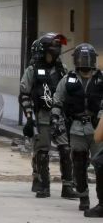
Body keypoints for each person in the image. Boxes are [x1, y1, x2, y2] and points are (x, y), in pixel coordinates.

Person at [19, 33, 78, 199]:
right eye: (54, 48)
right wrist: (29, 118)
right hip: (42, 117)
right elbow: (24, 94)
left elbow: (69, 94)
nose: (57, 52)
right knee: (42, 152)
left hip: (59, 117)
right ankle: (43, 185)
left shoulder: (62, 71)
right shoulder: (32, 70)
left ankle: (67, 186)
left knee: (65, 149)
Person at [52, 43, 103, 215]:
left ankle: (101, 201)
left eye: (88, 58)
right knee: (79, 163)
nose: (85, 62)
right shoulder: (68, 79)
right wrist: (55, 120)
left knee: (100, 165)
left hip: (97, 130)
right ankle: (83, 197)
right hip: (76, 128)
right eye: (82, 58)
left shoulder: (101, 78)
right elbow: (57, 100)